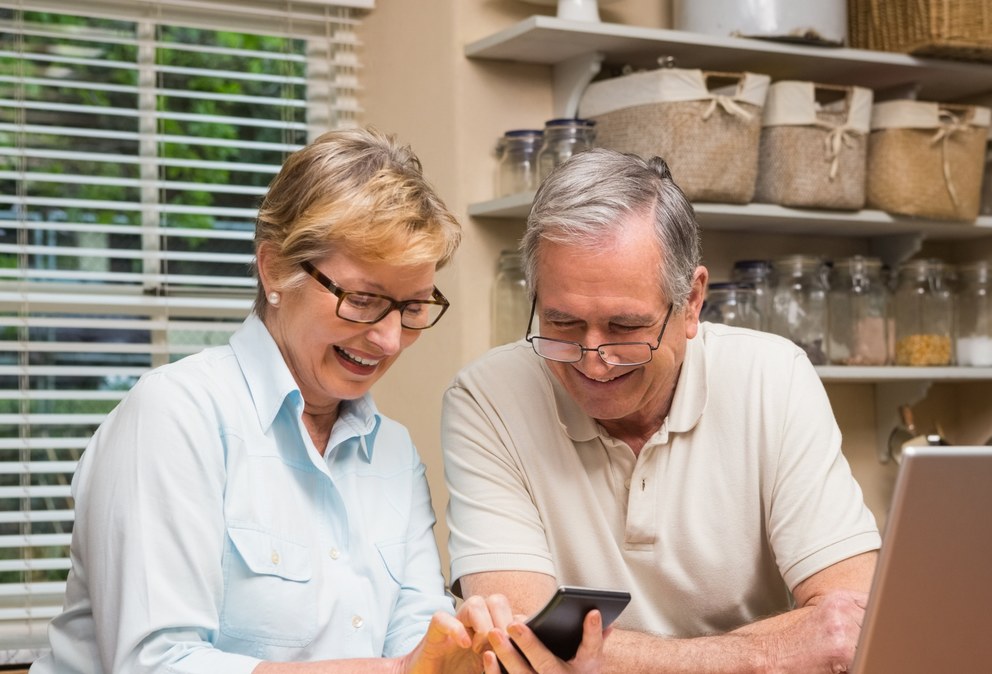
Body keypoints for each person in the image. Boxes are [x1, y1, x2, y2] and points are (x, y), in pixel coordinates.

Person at [31, 128, 605, 674]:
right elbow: (153, 665)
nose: (387, 340)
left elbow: (413, 645)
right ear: (276, 267)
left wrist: (464, 654)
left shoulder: (393, 453)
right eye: (361, 300)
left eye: (411, 309)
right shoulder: (175, 417)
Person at [442, 148, 883, 673]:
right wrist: (765, 653)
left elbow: (849, 626)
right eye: (562, 324)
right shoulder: (487, 396)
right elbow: (518, 640)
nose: (595, 359)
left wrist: (598, 659)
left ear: (692, 301)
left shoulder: (773, 376)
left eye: (626, 328)